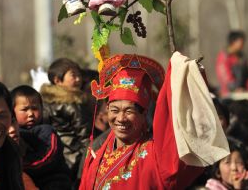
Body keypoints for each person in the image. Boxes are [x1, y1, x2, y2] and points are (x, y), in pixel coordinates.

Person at [79, 53, 230, 190]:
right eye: (115, 110)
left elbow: (177, 153)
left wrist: (183, 76)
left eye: (129, 111)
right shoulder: (96, 152)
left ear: (144, 113)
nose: (120, 118)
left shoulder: (156, 156)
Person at [40, 58, 93, 182]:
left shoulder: (44, 102)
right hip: (75, 161)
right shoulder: (73, 103)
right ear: (57, 80)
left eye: (79, 75)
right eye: (73, 76)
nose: (79, 80)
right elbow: (86, 137)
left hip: (52, 160)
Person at [11, 85, 72, 190]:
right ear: (12, 111)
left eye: (34, 108)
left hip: (55, 182)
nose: (30, 114)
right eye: (24, 109)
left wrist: (21, 165)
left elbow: (48, 158)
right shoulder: (13, 132)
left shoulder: (47, 131)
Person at [216, 30, 248, 98]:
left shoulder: (242, 57)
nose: (243, 44)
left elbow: (247, 76)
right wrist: (235, 89)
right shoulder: (224, 57)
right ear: (233, 42)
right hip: (229, 95)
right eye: (241, 41)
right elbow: (225, 77)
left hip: (243, 92)